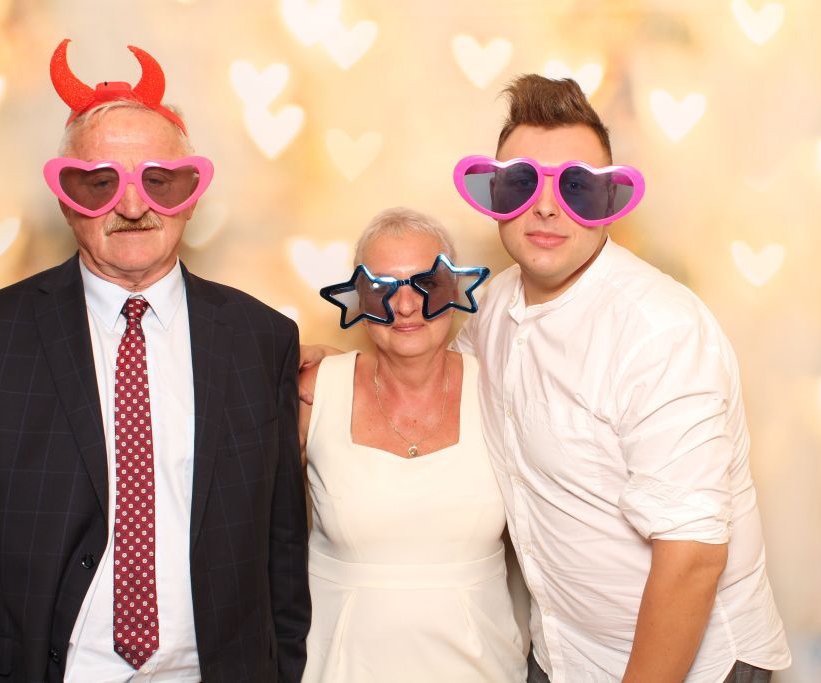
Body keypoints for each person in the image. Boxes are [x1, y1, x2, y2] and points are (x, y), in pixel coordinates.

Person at [0, 40, 309, 682]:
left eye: (159, 181)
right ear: (66, 197)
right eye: (100, 184)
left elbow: (282, 552)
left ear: (191, 192)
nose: (132, 207)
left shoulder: (261, 339)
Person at [449, 75, 791, 682]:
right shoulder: (495, 309)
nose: (547, 207)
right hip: (562, 653)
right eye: (522, 183)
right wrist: (337, 368)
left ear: (608, 202)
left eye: (577, 187)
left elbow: (692, 559)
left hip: (694, 666)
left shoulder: (660, 332)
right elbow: (433, 376)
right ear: (495, 193)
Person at [298, 208, 526, 682]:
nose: (405, 306)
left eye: (426, 283)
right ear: (359, 299)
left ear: (455, 290)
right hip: (339, 668)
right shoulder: (314, 392)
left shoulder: (501, 392)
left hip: (481, 668)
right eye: (381, 287)